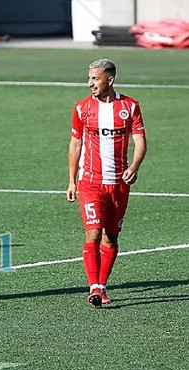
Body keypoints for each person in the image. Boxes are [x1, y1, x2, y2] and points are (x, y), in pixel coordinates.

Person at [67, 58, 147, 307]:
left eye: (95, 78)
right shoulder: (81, 108)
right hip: (90, 182)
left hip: (119, 184)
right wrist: (71, 180)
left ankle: (101, 285)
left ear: (109, 80)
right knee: (92, 234)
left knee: (110, 237)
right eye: (89, 78)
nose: (90, 83)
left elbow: (140, 141)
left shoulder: (130, 107)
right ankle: (93, 287)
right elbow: (75, 144)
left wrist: (134, 167)